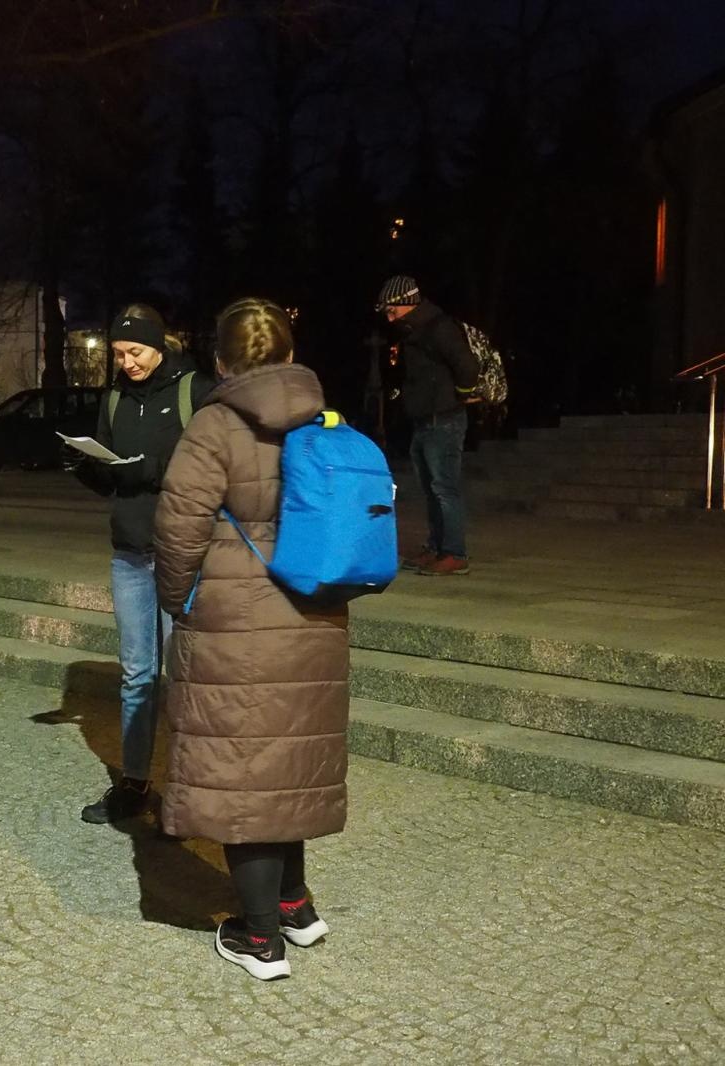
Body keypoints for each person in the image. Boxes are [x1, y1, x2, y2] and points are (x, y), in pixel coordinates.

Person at [153, 298, 348, 982]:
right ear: (291, 356)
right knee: (285, 764)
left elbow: (179, 525)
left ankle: (260, 937)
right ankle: (296, 906)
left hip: (237, 612)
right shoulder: (324, 416)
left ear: (220, 362)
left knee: (244, 778)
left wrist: (178, 602)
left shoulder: (214, 423)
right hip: (314, 608)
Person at [69, 304, 212, 825]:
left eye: (135, 352)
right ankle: (134, 782)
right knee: (136, 674)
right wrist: (88, 469)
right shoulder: (113, 399)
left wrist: (154, 469)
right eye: (119, 353)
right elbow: (113, 474)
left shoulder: (194, 390)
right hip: (130, 552)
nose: (125, 362)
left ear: (160, 346)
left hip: (183, 553)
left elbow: (216, 464)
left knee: (185, 675)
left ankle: (186, 789)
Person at [376, 275, 479, 576]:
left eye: (391, 308)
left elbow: (467, 366)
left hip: (443, 420)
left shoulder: (438, 328)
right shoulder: (414, 331)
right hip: (425, 420)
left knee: (444, 488)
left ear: (407, 302)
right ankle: (437, 547)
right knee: (431, 488)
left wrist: (459, 396)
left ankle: (455, 553)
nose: (388, 315)